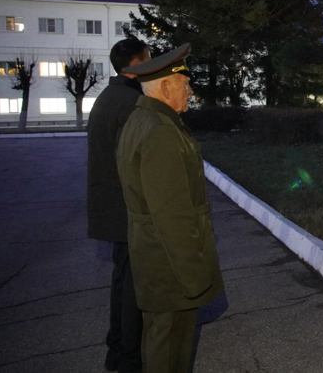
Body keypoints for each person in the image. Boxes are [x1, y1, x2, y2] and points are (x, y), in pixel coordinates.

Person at [116, 43, 224, 373]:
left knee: (165, 340)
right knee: (169, 346)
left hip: (155, 257)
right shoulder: (161, 132)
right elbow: (172, 215)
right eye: (184, 84)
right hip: (170, 263)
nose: (190, 91)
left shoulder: (143, 120)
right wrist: (195, 274)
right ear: (165, 87)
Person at [87, 38, 150, 372]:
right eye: (148, 60)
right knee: (132, 285)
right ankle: (129, 356)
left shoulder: (109, 96)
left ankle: (117, 349)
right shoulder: (129, 103)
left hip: (111, 207)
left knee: (122, 278)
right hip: (125, 208)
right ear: (135, 65)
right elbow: (134, 161)